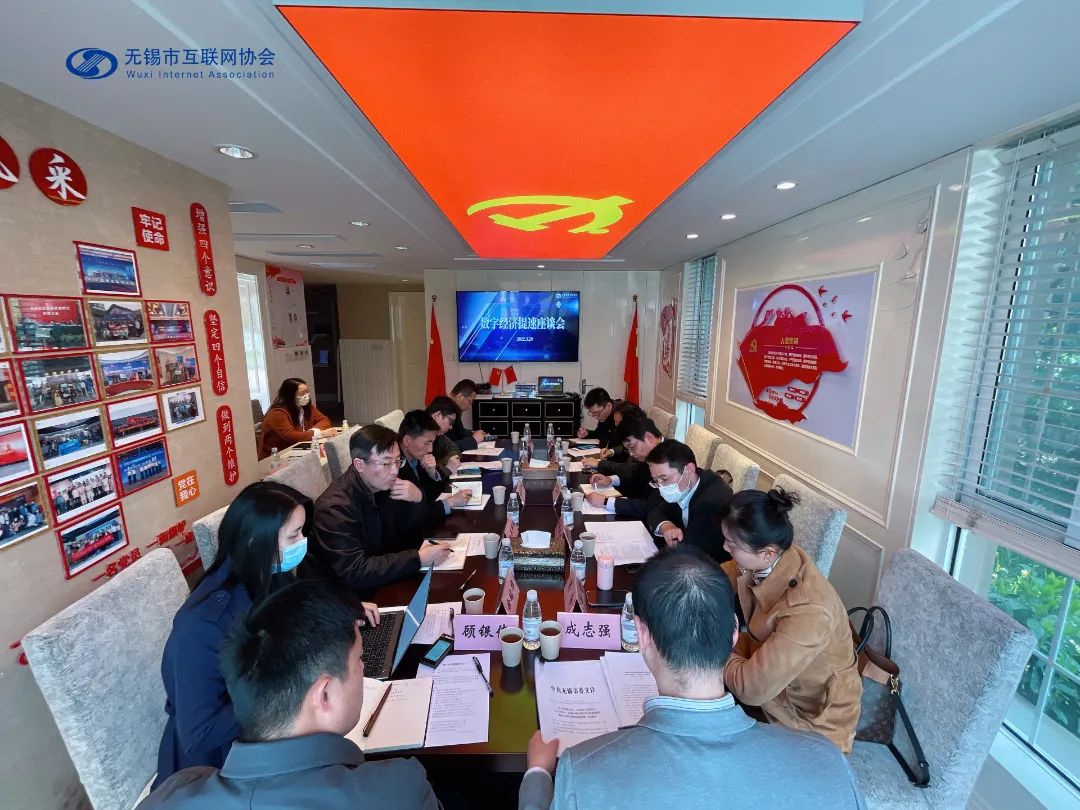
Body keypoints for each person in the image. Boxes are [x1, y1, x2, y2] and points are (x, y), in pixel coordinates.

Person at [519, 546, 866, 810]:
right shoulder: (827, 761)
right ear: (733, 632)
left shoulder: (583, 772)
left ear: (642, 634)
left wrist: (537, 772)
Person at [139, 581, 440, 809]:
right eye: (359, 660)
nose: (362, 668)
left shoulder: (168, 796)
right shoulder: (401, 791)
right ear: (324, 695)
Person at [153, 481, 378, 787]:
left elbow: (300, 607)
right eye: (293, 535)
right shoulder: (202, 625)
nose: (303, 542)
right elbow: (200, 733)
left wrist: (343, 611)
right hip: (220, 766)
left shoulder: (269, 574)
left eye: (302, 532)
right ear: (254, 542)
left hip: (272, 733)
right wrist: (284, 692)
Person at [720, 488, 862, 753]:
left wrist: (709, 650)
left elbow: (751, 688)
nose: (725, 548)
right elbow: (725, 573)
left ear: (767, 553)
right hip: (775, 688)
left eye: (732, 544)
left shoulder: (809, 610)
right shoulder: (775, 557)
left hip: (808, 723)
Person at [312, 425, 454, 597]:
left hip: (386, 577)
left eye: (398, 461)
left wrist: (417, 499)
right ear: (359, 464)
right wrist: (418, 559)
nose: (395, 471)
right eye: (386, 463)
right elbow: (355, 572)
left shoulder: (383, 485)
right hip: (355, 597)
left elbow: (407, 531)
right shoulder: (334, 509)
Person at [644, 440, 733, 563]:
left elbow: (688, 551)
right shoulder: (684, 487)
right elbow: (655, 512)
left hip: (708, 565)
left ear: (689, 469)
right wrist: (666, 526)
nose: (661, 488)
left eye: (664, 479)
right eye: (656, 480)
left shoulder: (711, 501)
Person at [585, 417, 664, 518]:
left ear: (648, 437)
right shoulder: (651, 453)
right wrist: (610, 480)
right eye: (628, 449)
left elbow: (650, 507)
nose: (631, 454)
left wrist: (606, 502)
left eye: (632, 447)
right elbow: (635, 476)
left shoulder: (669, 459)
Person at [397, 410, 472, 505]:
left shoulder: (416, 456)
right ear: (407, 440)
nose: (430, 449)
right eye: (426, 443)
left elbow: (434, 494)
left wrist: (432, 473)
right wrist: (450, 502)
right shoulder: (394, 466)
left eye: (432, 442)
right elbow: (415, 509)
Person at [259, 378, 335, 459]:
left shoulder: (305, 406)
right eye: (302, 393)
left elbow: (325, 420)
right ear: (290, 396)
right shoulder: (277, 413)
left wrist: (311, 432)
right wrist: (319, 433)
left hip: (299, 448)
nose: (306, 396)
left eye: (307, 392)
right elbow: (290, 436)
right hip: (277, 456)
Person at [426, 396, 466, 471]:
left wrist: (437, 465)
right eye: (450, 422)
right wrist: (446, 468)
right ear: (437, 415)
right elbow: (425, 469)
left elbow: (455, 450)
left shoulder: (439, 434)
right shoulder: (419, 434)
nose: (451, 427)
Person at [446, 379, 486, 451]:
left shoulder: (454, 409)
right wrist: (473, 440)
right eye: (469, 401)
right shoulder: (444, 411)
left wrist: (473, 433)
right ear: (460, 396)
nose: (469, 406)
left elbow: (460, 432)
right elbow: (445, 448)